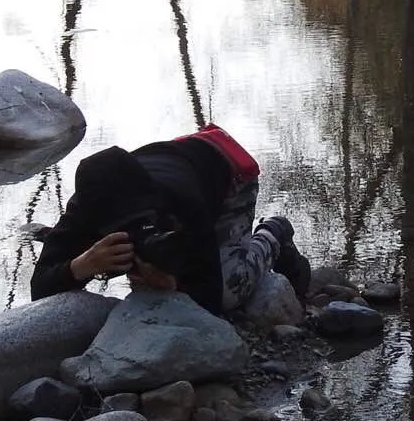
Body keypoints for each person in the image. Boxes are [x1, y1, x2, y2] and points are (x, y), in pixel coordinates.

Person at [30, 125, 310, 315]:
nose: (137, 233)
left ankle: (273, 233)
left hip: (229, 174)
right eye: (124, 228)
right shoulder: (83, 210)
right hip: (175, 159)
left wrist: (175, 284)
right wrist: (80, 266)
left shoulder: (181, 201)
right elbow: (39, 289)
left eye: (143, 223)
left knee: (230, 294)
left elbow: (211, 298)